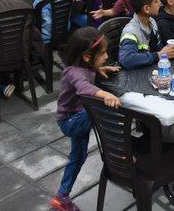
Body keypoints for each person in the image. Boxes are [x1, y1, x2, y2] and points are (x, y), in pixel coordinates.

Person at [50, 27, 121, 211]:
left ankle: (62, 196)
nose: (106, 56)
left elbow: (87, 75)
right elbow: (83, 87)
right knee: (103, 110)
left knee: (78, 157)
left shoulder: (85, 66)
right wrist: (104, 93)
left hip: (76, 116)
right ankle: (118, 151)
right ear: (87, 57)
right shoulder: (75, 72)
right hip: (71, 121)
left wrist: (100, 69)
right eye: (103, 53)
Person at [118, 0, 174, 70]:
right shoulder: (131, 31)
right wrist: (159, 55)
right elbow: (126, 60)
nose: (160, 3)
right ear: (146, 8)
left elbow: (158, 48)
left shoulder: (152, 21)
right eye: (156, 1)